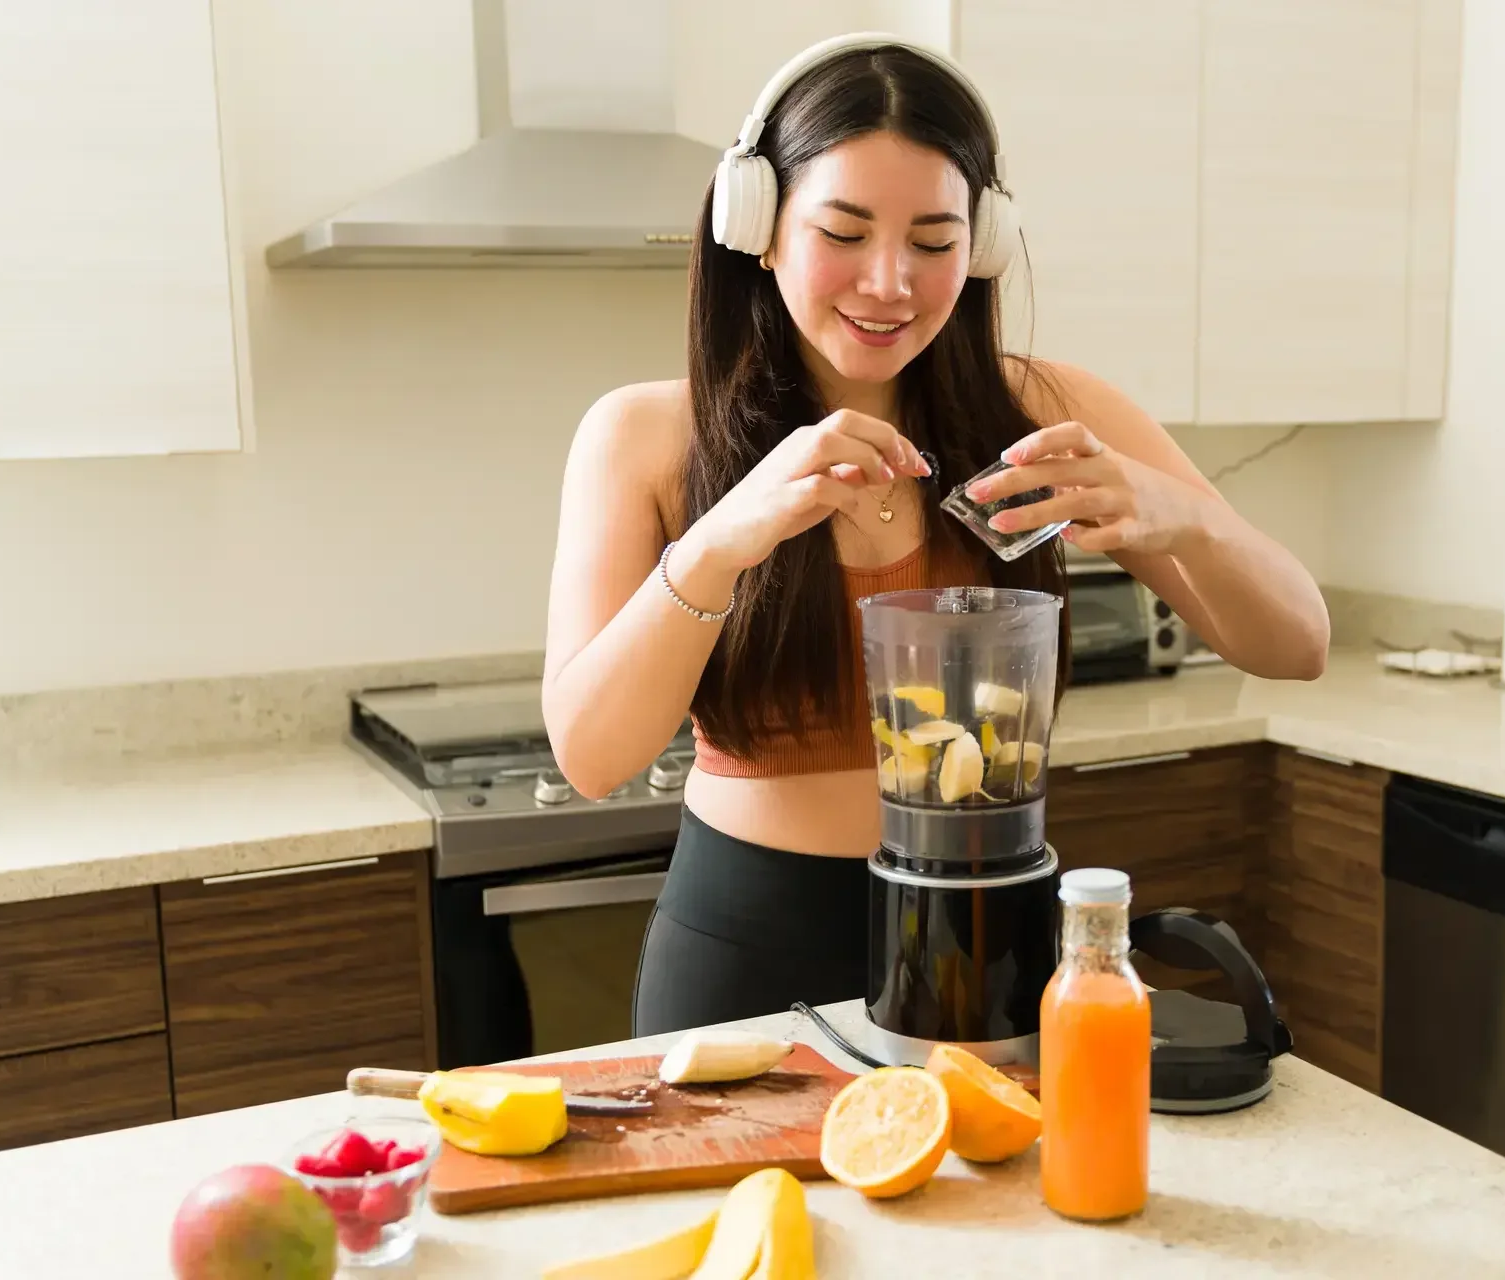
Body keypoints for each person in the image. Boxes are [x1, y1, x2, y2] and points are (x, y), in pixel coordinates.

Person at [540, 34, 1329, 1038]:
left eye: (931, 239)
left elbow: (1297, 643)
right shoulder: (645, 435)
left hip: (995, 931)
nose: (889, 282)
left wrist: (1187, 519)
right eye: (845, 230)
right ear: (760, 224)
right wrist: (719, 541)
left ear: (982, 243)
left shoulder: (1044, 410)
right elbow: (592, 756)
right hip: (748, 948)